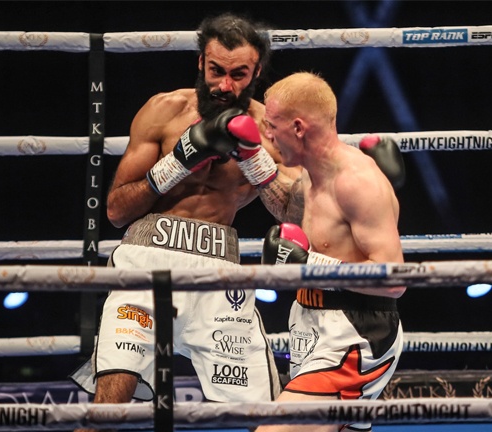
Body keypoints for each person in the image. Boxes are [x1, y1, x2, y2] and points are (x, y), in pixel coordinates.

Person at [70, 12, 285, 409]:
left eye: (238, 75)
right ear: (200, 62)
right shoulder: (163, 111)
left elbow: (293, 214)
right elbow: (116, 211)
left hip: (220, 274)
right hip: (146, 261)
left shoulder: (270, 131)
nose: (224, 85)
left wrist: (255, 159)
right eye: (216, 70)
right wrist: (176, 165)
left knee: (269, 414)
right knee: (108, 409)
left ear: (256, 73)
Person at [255, 72, 406, 432]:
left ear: (298, 127)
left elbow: (395, 278)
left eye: (273, 127)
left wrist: (309, 264)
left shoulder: (355, 181)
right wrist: (247, 156)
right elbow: (293, 216)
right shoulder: (309, 173)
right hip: (312, 323)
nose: (269, 137)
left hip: (356, 334)